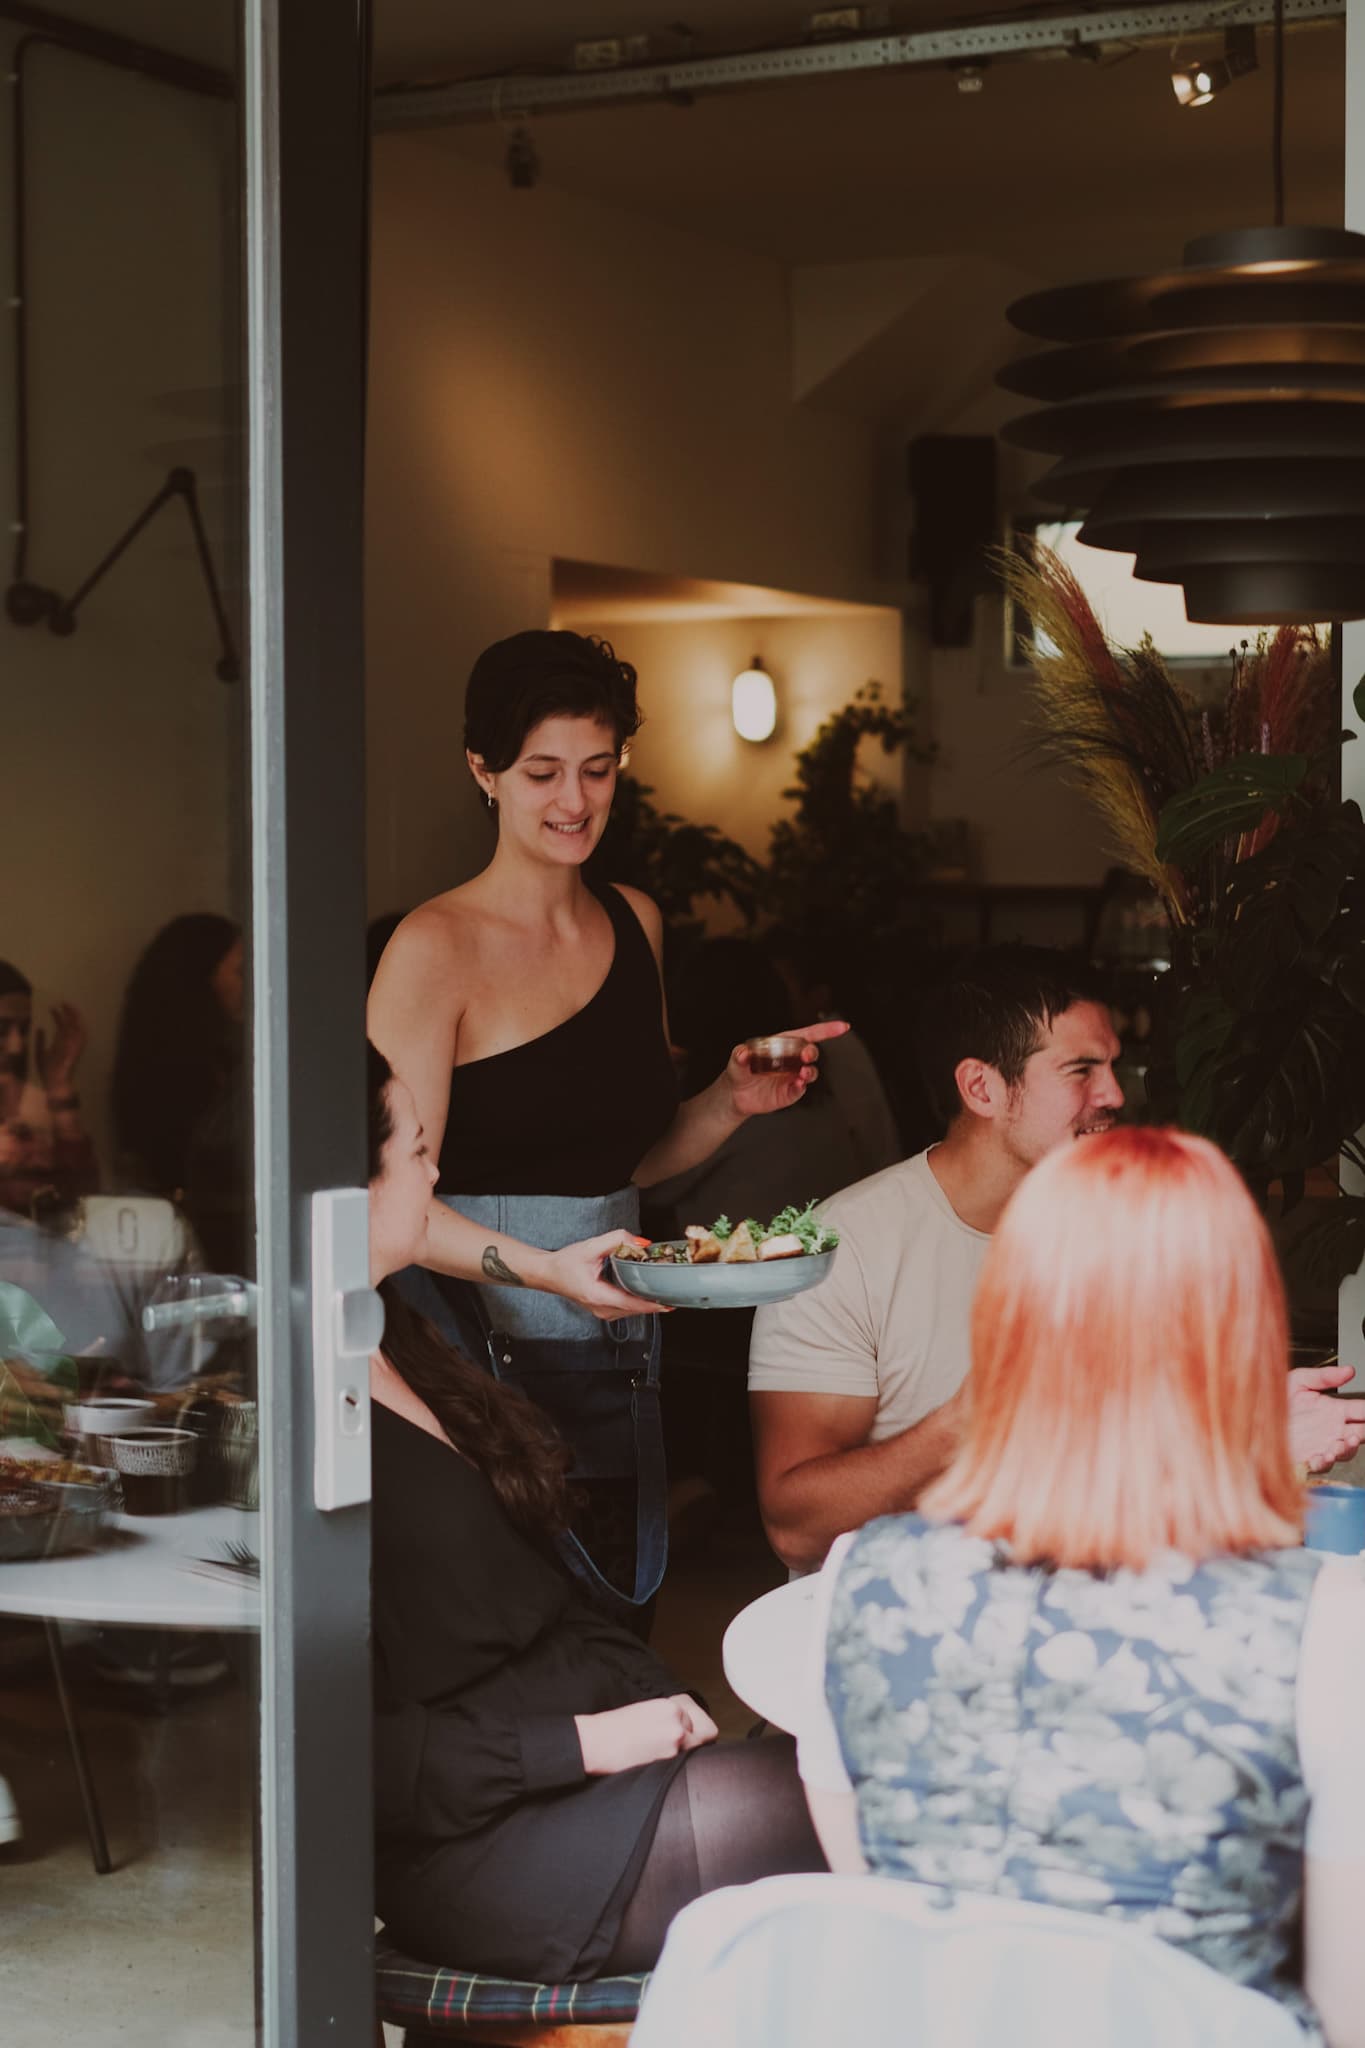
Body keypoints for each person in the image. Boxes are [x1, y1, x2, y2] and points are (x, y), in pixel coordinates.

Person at [795, 1126, 1365, 2047]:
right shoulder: (1322, 1623)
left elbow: (889, 1926)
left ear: (1008, 1315)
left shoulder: (856, 1580)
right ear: (1238, 1327)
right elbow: (1348, 2012)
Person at [369, 630, 843, 1612]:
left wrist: (729, 1099)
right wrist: (544, 1268)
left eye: (597, 768)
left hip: (618, 1350)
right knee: (510, 1640)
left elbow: (622, 1162)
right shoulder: (434, 945)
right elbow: (388, 1205)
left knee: (618, 1639)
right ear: (482, 771)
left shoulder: (635, 921)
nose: (574, 800)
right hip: (474, 1361)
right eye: (542, 771)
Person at [366, 1042, 825, 1997]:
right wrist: (585, 1742)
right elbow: (343, 1756)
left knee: (864, 1775)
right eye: (414, 1149)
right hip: (481, 1840)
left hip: (567, 1776)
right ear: (343, 1190)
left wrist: (638, 1708)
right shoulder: (305, 1416)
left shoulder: (395, 1336)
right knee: (878, 1802)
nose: (438, 1169)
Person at [749, 944, 1365, 1574]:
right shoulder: (843, 1246)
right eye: (1081, 1070)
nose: (1116, 1094)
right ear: (982, 1087)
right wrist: (967, 1423)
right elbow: (796, 1530)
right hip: (906, 1626)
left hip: (1087, 1601)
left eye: (1113, 1067)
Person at [110, 914, 246, 1273]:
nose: (251, 986)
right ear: (201, 981)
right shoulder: (171, 1078)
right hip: (189, 1251)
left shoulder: (225, 1060)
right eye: (241, 973)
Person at [0, 958, 96, 1218]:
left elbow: (80, 1203)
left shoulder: (25, 1103)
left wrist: (59, 1087)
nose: (16, 1046)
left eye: (23, 1029)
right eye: (2, 1029)